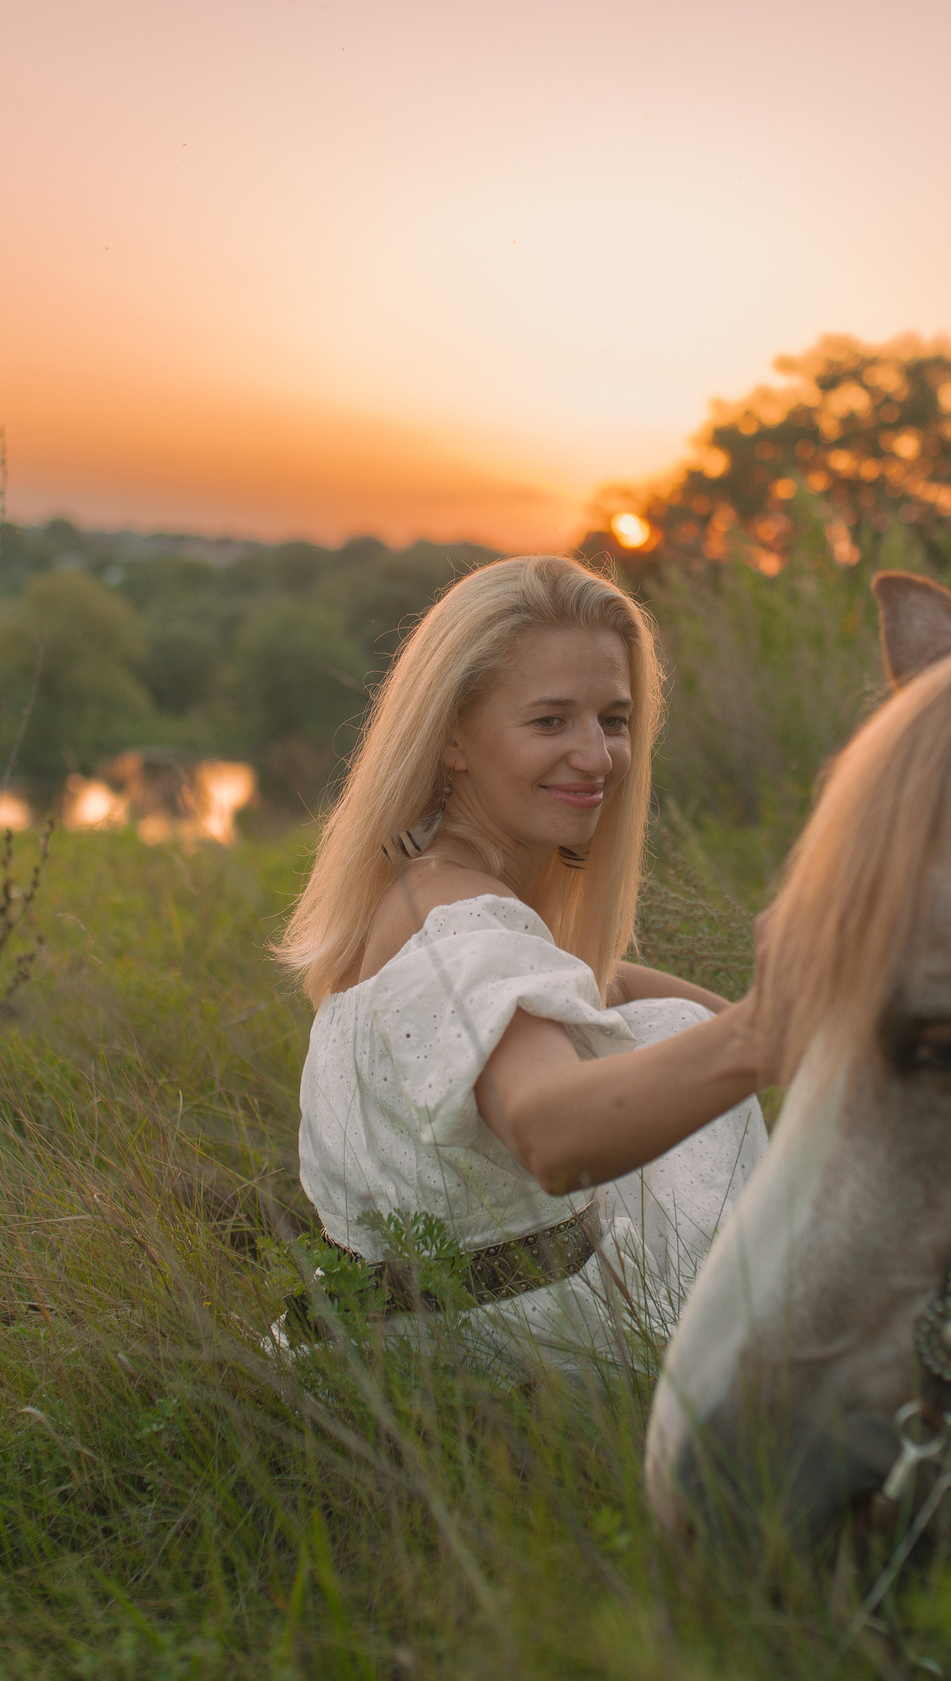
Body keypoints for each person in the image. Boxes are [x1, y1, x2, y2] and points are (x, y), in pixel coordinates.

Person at [274, 554, 774, 1373]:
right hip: (512, 1366)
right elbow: (551, 1132)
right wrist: (768, 1032)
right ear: (451, 738)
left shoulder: (424, 894)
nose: (597, 755)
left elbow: (591, 979)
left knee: (662, 1024)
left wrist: (796, 1035)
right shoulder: (461, 927)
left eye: (613, 720)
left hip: (414, 1346)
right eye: (550, 722)